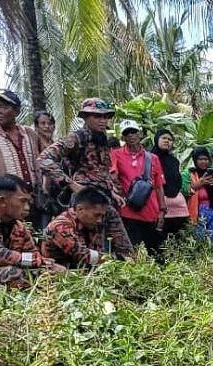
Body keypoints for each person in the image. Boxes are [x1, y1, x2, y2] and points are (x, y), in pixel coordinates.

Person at [38, 98, 128, 252]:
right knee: (90, 248)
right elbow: (44, 159)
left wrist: (112, 191)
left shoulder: (102, 139)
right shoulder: (76, 138)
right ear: (85, 117)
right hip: (85, 203)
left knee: (123, 247)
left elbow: (101, 170)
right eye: (97, 116)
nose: (103, 120)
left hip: (104, 199)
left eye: (105, 117)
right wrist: (71, 184)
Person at [0, 175, 64, 293]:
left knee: (47, 274)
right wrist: (42, 261)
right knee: (14, 274)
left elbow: (32, 254)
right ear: (2, 201)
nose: (27, 207)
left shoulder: (19, 227)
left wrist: (46, 266)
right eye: (22, 201)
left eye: (28, 202)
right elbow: (1, 255)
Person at [0, 90, 43, 230]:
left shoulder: (30, 133)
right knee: (12, 235)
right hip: (7, 205)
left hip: (35, 201)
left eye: (4, 107)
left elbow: (42, 161)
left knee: (36, 235)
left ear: (16, 111)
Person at [111, 119, 165, 261]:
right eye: (127, 133)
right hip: (128, 212)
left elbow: (159, 186)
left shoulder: (153, 158)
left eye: (133, 132)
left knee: (156, 254)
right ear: (123, 137)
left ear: (140, 134)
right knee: (130, 253)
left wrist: (162, 211)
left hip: (150, 212)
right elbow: (112, 176)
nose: (131, 135)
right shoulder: (116, 154)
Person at [41, 186, 134, 268]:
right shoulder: (60, 226)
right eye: (97, 215)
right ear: (80, 209)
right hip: (58, 275)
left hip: (82, 272)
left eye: (102, 216)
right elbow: (83, 255)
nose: (100, 220)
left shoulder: (91, 223)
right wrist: (118, 259)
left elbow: (97, 252)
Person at [151, 128, 190, 241]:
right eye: (164, 138)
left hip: (178, 207)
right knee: (158, 240)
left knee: (178, 240)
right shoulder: (149, 158)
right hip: (158, 205)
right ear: (156, 139)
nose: (167, 141)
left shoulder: (174, 161)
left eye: (170, 139)